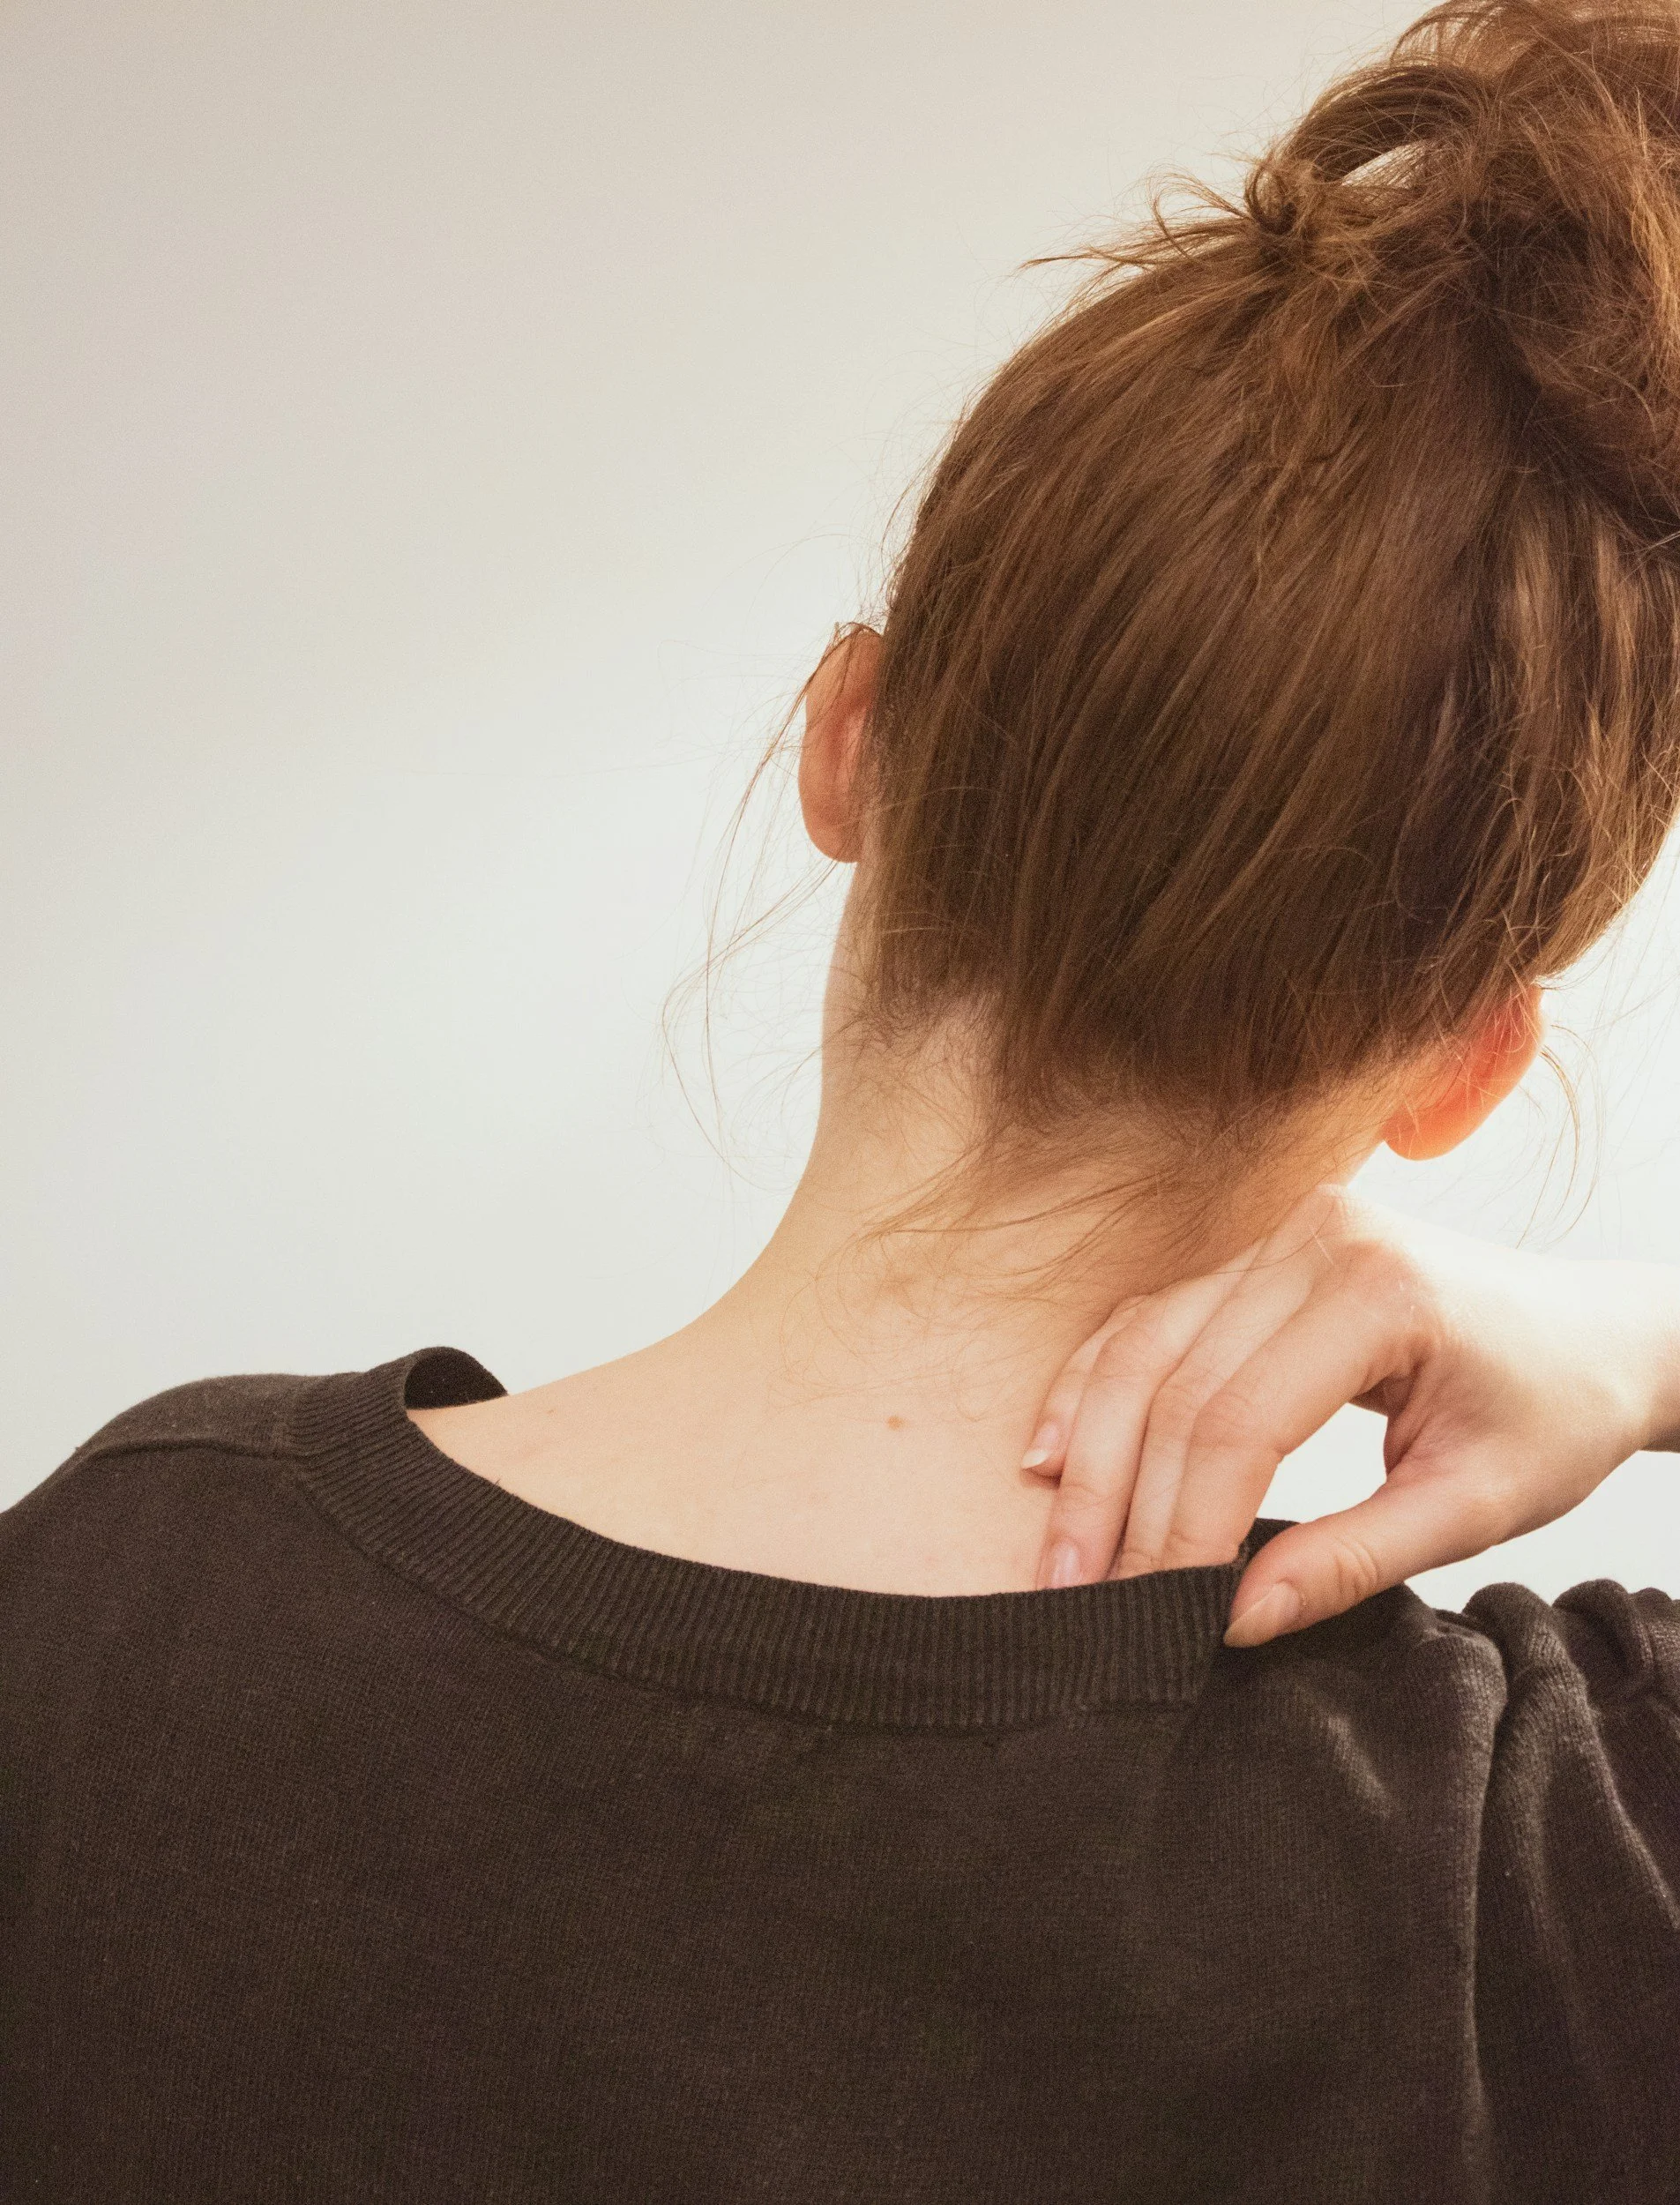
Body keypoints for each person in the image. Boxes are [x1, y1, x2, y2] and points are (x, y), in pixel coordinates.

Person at [4, 0, 1680, 2197]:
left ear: (849, 738)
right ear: (1470, 1061)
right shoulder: (1564, 1851)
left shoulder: (121, 1602)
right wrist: (1643, 1343)